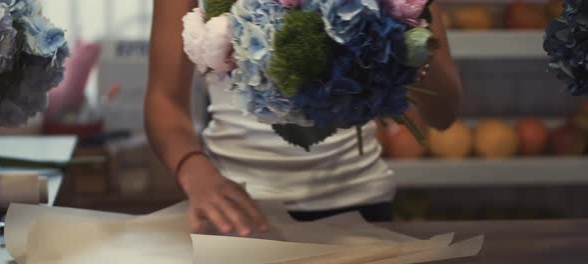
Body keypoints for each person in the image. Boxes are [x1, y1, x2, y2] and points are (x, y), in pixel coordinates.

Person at [145, 0, 462, 237]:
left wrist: (411, 40)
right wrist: (192, 168)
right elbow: (164, 100)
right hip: (238, 209)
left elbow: (443, 114)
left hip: (360, 206)